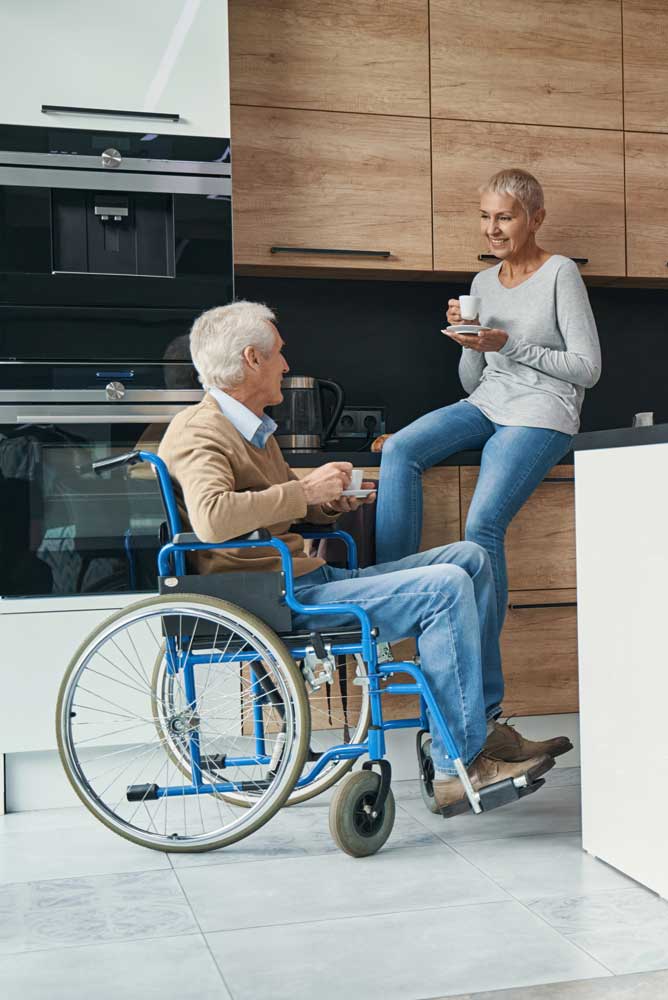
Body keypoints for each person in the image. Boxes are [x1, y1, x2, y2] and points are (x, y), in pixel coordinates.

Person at [157, 300, 557, 814]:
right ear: (251, 359)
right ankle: (458, 763)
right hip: (278, 597)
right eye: (279, 355)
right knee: (445, 587)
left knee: (472, 558)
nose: (286, 364)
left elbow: (273, 513)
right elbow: (213, 518)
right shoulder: (200, 430)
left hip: (303, 578)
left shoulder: (251, 427)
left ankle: (481, 729)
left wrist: (327, 503)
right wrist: (304, 492)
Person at [375, 168, 601, 754]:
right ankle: (384, 599)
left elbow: (587, 369)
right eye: (485, 216)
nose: (492, 228)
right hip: (488, 400)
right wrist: (468, 339)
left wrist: (508, 344)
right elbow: (477, 381)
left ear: (535, 219)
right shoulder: (482, 279)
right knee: (400, 448)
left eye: (504, 217)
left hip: (542, 412)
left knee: (481, 529)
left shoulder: (560, 274)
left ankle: (490, 701)